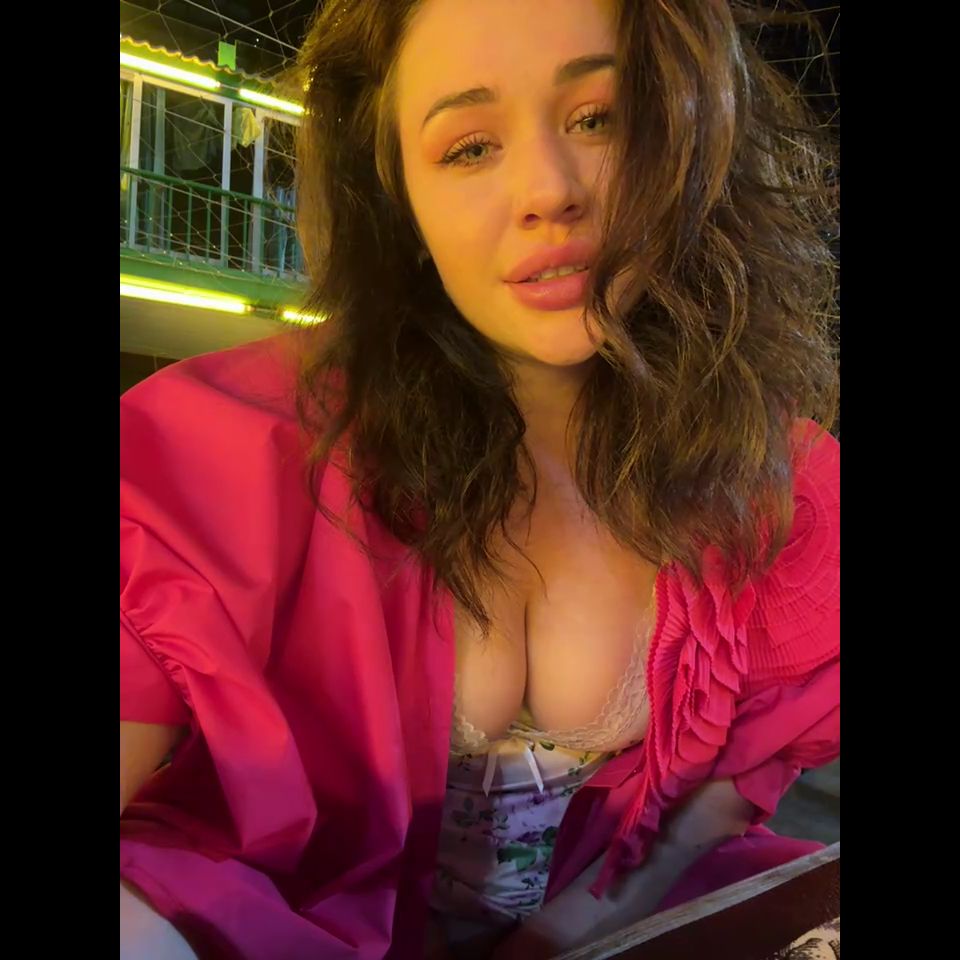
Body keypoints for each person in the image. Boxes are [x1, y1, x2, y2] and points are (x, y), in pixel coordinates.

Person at [119, 1, 840, 958]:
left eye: (599, 118)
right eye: (468, 147)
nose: (549, 191)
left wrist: (552, 941)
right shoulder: (218, 451)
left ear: (690, 143)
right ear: (399, 199)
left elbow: (710, 811)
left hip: (613, 923)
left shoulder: (786, 487)